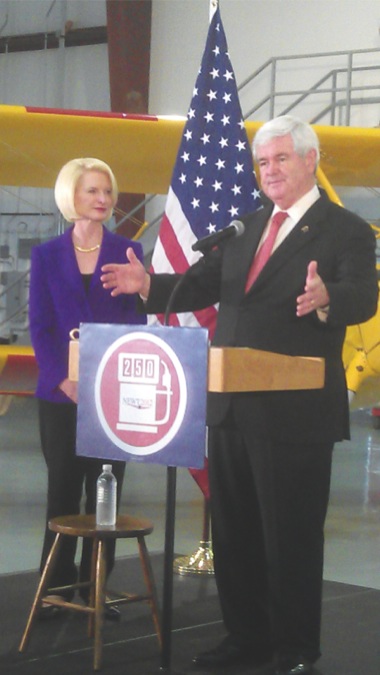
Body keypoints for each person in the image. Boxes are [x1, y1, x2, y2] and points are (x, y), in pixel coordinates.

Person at [100, 116, 378, 673]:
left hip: (295, 413)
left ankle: (295, 646)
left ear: (310, 161)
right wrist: (147, 287)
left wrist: (329, 298)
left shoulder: (345, 229)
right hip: (229, 407)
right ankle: (245, 637)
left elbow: (363, 296)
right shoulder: (244, 227)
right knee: (235, 533)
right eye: (263, 163)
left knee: (290, 536)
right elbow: (198, 285)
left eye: (280, 159)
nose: (270, 171)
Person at [29, 157, 146, 620]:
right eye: (91, 191)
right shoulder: (45, 255)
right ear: (70, 198)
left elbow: (135, 324)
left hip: (111, 396)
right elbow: (40, 326)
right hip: (59, 396)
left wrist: (99, 385)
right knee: (62, 493)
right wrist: (63, 378)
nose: (102, 200)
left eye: (107, 192)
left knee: (107, 495)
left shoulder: (128, 253)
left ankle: (96, 588)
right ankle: (55, 587)